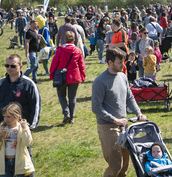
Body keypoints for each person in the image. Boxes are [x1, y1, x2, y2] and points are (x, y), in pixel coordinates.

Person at [91, 48, 147, 177]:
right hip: (108, 127)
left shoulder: (122, 76)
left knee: (125, 166)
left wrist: (138, 113)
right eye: (120, 62)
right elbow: (96, 107)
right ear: (110, 62)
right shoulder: (100, 81)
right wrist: (114, 120)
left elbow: (129, 97)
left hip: (124, 126)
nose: (123, 65)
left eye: (124, 61)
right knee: (116, 165)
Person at [50, 31, 86, 124]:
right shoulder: (78, 50)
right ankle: (72, 117)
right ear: (74, 40)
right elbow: (82, 64)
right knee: (72, 97)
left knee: (61, 95)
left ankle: (66, 112)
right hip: (74, 76)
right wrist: (83, 75)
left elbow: (54, 63)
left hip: (62, 76)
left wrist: (52, 74)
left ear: (64, 39)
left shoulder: (60, 50)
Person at [0, 103, 35, 177]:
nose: (6, 119)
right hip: (5, 164)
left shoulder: (22, 127)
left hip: (20, 162)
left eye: (8, 116)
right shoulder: (1, 128)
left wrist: (25, 129)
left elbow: (27, 143)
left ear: (17, 116)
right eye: (4, 117)